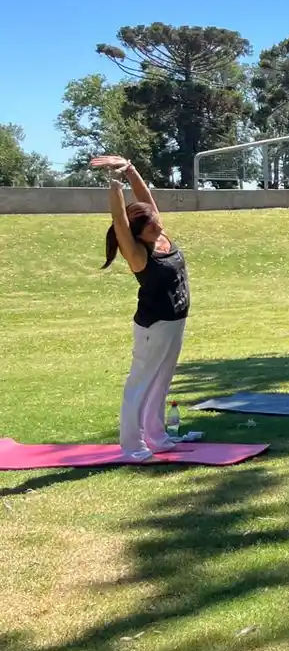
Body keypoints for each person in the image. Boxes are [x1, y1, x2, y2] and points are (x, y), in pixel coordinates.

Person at [97, 157, 190, 461]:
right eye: (151, 224)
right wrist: (115, 188)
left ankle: (157, 436)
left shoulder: (161, 235)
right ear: (139, 233)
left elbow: (146, 201)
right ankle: (132, 445)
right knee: (140, 384)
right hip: (154, 327)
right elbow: (121, 222)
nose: (157, 223)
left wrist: (131, 170)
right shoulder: (138, 252)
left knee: (162, 381)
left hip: (175, 321)